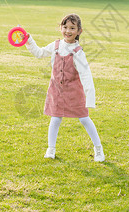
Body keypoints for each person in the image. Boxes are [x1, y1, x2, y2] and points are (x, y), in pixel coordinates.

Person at [25, 14, 105, 162]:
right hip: (56, 91)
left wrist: (90, 98)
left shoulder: (78, 52)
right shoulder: (56, 46)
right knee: (55, 119)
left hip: (74, 93)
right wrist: (28, 40)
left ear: (79, 31)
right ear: (60, 28)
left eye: (72, 28)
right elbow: (39, 53)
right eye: (65, 27)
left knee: (84, 119)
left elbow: (86, 76)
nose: (68, 31)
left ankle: (98, 149)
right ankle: (51, 149)